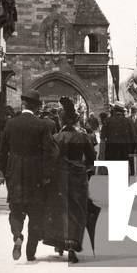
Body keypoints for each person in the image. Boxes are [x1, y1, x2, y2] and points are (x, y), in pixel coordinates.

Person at [0, 91, 58, 261]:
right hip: (35, 173)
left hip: (14, 171)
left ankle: (17, 234)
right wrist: (47, 174)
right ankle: (30, 252)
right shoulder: (42, 125)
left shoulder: (11, 123)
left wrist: (0, 171)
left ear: (23, 105)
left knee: (16, 209)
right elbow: (49, 152)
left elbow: (2, 149)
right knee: (36, 212)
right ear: (37, 107)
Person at [42, 97, 97, 263]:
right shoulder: (84, 137)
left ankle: (60, 242)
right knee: (78, 210)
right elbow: (92, 159)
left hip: (60, 176)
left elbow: (50, 159)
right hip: (78, 177)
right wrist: (83, 169)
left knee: (60, 208)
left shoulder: (56, 138)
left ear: (61, 119)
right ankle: (74, 244)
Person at [102, 103, 137, 175]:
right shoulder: (129, 121)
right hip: (126, 150)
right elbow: (134, 136)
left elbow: (102, 136)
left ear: (114, 110)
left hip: (112, 151)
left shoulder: (108, 121)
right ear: (123, 111)